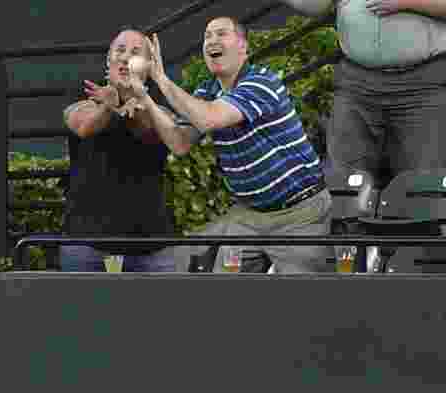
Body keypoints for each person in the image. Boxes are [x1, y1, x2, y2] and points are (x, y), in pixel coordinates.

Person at [128, 17, 333, 273]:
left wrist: (161, 79)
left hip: (300, 214)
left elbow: (208, 118)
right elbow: (179, 143)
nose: (212, 40)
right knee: (225, 290)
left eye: (221, 34)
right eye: (207, 36)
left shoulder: (261, 82)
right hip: (248, 215)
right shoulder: (208, 92)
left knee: (301, 302)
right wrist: (144, 96)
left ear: (243, 48)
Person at [279, 0, 446, 266]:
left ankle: (415, 279)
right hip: (356, 85)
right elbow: (314, 6)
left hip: (422, 85)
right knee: (344, 187)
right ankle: (348, 273)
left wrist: (408, 2)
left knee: (422, 191)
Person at [58, 27, 178, 272]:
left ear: (148, 64)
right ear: (108, 60)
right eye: (120, 50)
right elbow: (83, 126)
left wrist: (132, 100)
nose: (125, 57)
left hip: (151, 248)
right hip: (86, 244)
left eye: (135, 52)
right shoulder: (88, 91)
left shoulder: (162, 98)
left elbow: (155, 131)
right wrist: (108, 106)